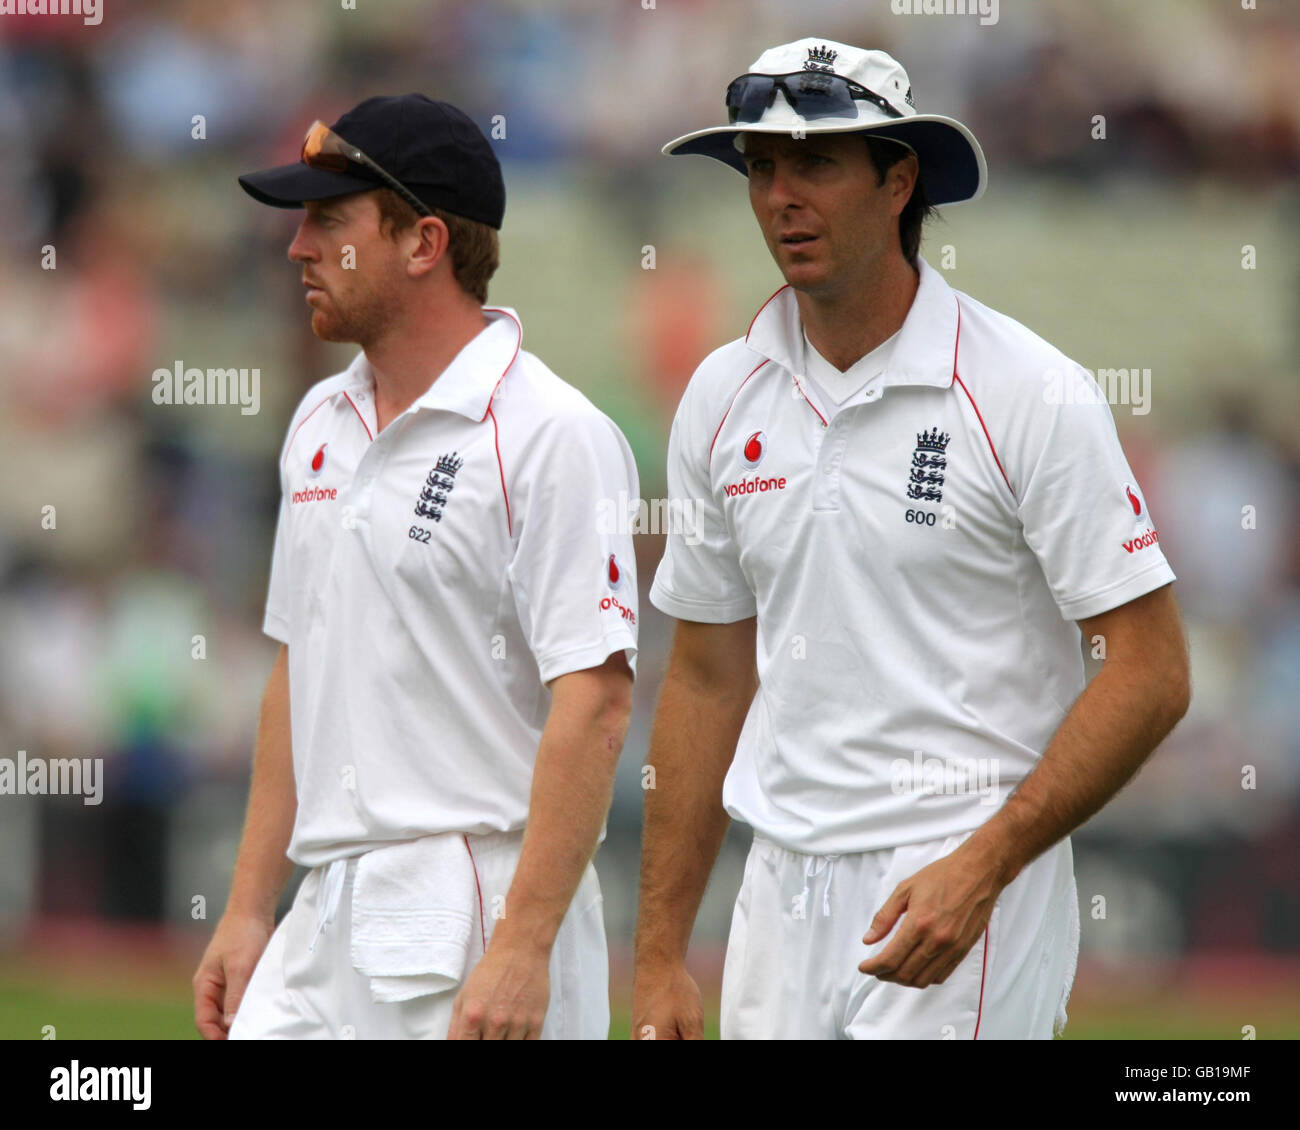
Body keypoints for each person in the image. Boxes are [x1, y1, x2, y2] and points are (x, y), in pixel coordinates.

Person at [632, 40, 1190, 1040]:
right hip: (778, 887)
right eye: (761, 168)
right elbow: (707, 676)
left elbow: (1150, 669)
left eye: (815, 164)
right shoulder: (721, 394)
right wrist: (660, 950)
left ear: (899, 180)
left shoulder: (1027, 388)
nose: (779, 198)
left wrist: (987, 860)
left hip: (961, 881)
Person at [192, 94, 639, 1040]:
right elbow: (296, 665)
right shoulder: (319, 421)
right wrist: (245, 905)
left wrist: (523, 946)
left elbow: (595, 699)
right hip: (327, 901)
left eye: (328, 220)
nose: (297, 247)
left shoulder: (553, 436)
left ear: (423, 241)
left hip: (471, 902)